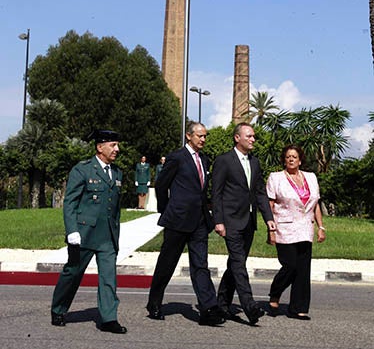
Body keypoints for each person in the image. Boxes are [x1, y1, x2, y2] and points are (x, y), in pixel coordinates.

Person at [146, 121, 224, 326]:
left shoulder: (205, 160)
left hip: (199, 220)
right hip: (178, 220)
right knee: (167, 263)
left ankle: (208, 308)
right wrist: (166, 209)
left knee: (201, 265)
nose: (204, 139)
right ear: (189, 136)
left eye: (205, 136)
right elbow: (162, 185)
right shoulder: (177, 157)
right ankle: (154, 302)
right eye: (200, 136)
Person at [51, 129, 127, 334]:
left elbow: (115, 208)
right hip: (84, 234)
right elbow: (70, 203)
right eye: (113, 145)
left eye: (117, 145)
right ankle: (58, 309)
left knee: (108, 278)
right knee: (73, 273)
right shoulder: (83, 170)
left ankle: (109, 318)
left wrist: (116, 234)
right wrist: (72, 231)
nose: (117, 149)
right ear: (99, 147)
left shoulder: (117, 172)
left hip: (107, 237)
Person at [212, 122, 275, 325]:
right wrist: (219, 221)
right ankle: (250, 306)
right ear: (237, 138)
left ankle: (221, 305)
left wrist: (269, 219)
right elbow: (217, 193)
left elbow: (259, 193)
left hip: (248, 222)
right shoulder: (224, 160)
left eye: (253, 136)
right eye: (249, 136)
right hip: (230, 221)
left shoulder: (255, 162)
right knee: (239, 264)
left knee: (235, 264)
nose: (253, 139)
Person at [266, 144, 326, 320]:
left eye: (294, 157)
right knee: (290, 265)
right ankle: (275, 292)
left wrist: (321, 227)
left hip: (305, 228)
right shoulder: (275, 178)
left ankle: (298, 308)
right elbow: (269, 205)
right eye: (287, 157)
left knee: (303, 269)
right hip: (284, 228)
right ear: (284, 160)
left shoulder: (311, 177)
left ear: (300, 160)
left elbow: (315, 205)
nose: (291, 159)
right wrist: (270, 230)